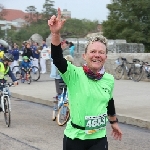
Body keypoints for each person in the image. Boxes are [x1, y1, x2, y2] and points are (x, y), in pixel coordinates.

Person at [48, 8, 122, 150]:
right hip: (75, 138)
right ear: (84, 56)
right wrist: (55, 33)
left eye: (101, 52)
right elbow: (57, 58)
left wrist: (114, 123)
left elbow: (109, 101)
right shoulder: (74, 74)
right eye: (93, 51)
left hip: (99, 138)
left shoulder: (109, 79)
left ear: (105, 57)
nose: (97, 55)